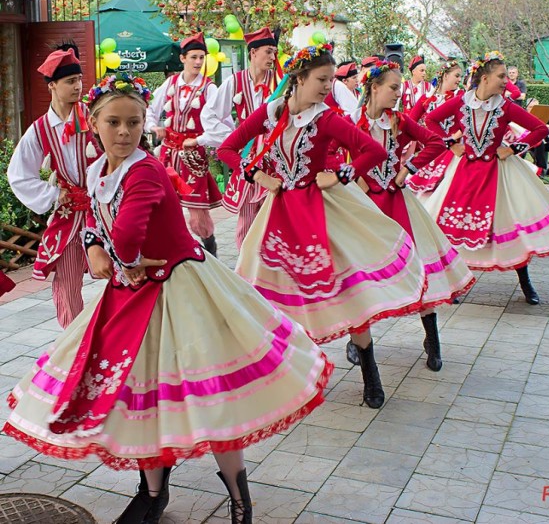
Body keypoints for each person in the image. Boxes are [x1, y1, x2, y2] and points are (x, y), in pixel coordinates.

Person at [3, 74, 333, 524]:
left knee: (212, 396)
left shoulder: (146, 168)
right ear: (93, 123)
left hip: (182, 288)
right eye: (114, 122)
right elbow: (102, 225)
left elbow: (128, 232)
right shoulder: (100, 169)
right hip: (131, 293)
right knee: (143, 397)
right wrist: (94, 246)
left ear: (144, 124)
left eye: (134, 123)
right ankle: (154, 493)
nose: (124, 132)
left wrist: (113, 252)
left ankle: (239, 496)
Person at [218, 44, 426, 409]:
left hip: (323, 212)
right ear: (297, 79)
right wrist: (259, 176)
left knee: (347, 293)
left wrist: (341, 174)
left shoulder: (327, 118)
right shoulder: (271, 112)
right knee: (273, 296)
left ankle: (370, 372)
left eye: (331, 80)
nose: (328, 87)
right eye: (321, 79)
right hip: (280, 214)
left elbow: (372, 152)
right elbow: (228, 149)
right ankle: (290, 375)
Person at [419, 52, 549, 305]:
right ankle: (455, 283)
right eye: (501, 76)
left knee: (510, 226)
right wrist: (451, 145)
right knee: (453, 226)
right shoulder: (462, 102)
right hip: (464, 172)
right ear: (484, 78)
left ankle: (525, 281)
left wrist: (514, 148)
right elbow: (431, 119)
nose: (507, 81)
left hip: (499, 174)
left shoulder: (505, 106)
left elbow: (539, 128)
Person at [343, 60, 475, 371]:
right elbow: (332, 155)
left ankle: (432, 338)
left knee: (418, 267)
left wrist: (408, 169)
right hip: (361, 208)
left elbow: (434, 142)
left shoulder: (399, 121)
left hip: (396, 201)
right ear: (373, 88)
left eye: (400, 88)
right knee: (359, 276)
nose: (397, 93)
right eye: (392, 87)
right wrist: (353, 177)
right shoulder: (349, 121)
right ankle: (358, 340)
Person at [7, 44, 101, 329]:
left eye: (79, 80)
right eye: (70, 81)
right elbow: (18, 174)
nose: (78, 86)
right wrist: (53, 194)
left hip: (103, 210)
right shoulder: (39, 130)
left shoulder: (96, 116)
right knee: (66, 285)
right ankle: (73, 346)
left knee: (122, 273)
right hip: (70, 215)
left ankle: (122, 339)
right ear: (52, 86)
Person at [200, 27, 279, 249]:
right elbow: (210, 114)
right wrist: (233, 138)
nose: (273, 57)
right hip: (247, 158)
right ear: (253, 53)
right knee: (246, 220)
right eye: (268, 52)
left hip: (274, 159)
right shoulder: (235, 82)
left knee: (271, 216)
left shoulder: (280, 82)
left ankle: (268, 267)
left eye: (274, 52)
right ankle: (246, 271)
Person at [146, 33, 221, 256]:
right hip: (168, 153)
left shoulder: (209, 89)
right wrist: (153, 127)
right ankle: (175, 250)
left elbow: (222, 125)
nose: (198, 62)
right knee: (163, 204)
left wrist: (199, 140)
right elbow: (149, 109)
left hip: (192, 156)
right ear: (183, 58)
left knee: (197, 213)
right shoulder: (170, 83)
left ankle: (210, 250)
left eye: (201, 58)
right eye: (194, 57)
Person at [406, 60, 464, 193]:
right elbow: (410, 123)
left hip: (455, 150)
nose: (459, 80)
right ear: (445, 76)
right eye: (457, 76)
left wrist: (454, 138)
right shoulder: (426, 98)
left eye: (460, 76)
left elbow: (468, 121)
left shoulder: (460, 96)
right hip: (434, 150)